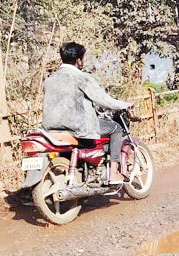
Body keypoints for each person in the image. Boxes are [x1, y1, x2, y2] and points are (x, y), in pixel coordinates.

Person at [43, 42, 132, 184]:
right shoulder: (82, 78)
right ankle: (114, 173)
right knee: (116, 128)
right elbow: (103, 100)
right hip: (78, 128)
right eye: (82, 59)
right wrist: (125, 105)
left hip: (52, 130)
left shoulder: (49, 80)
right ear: (78, 60)